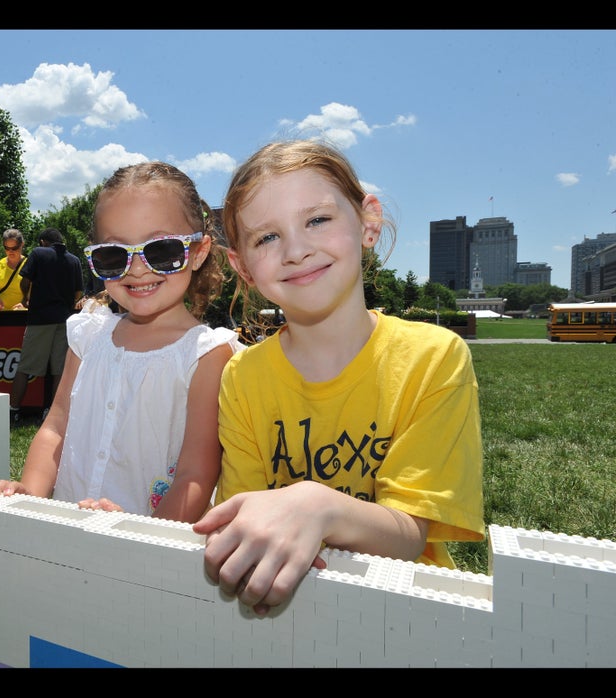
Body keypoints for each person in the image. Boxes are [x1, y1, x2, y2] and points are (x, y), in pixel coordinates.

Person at [192, 140, 485, 614]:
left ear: (368, 222)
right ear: (241, 266)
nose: (297, 250)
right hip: (287, 609)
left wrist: (318, 505)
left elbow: (411, 536)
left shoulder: (433, 357)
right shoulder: (243, 376)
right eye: (267, 237)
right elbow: (244, 517)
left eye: (317, 220)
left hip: (406, 612)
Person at [0, 162, 239, 523]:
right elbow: (56, 426)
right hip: (69, 530)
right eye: (114, 255)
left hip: (144, 555)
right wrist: (31, 494)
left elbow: (196, 473)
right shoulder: (89, 335)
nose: (137, 268)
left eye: (162, 250)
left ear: (197, 252)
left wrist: (143, 539)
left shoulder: (206, 354)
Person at [7, 227, 83, 425]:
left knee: (25, 367)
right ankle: (51, 414)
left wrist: (25, 298)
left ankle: (13, 411)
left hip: (40, 319)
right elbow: (78, 294)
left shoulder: (38, 253)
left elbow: (25, 280)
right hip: (64, 321)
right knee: (59, 370)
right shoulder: (74, 260)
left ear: (42, 241)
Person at [0, 228, 28, 311]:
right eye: (7, 248)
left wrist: (24, 305)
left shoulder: (30, 264)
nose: (10, 251)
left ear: (22, 244)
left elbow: (38, 295)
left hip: (23, 315)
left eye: (14, 248)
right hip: (2, 315)